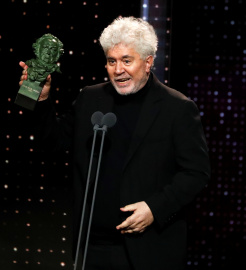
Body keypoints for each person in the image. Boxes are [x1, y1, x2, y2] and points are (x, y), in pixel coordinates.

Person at [18, 16, 211, 270]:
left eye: (127, 61)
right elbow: (54, 142)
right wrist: (41, 101)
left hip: (147, 249)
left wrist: (155, 208)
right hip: (92, 245)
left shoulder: (178, 108)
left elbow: (196, 173)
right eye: (112, 61)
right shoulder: (90, 98)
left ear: (148, 61)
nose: (118, 70)